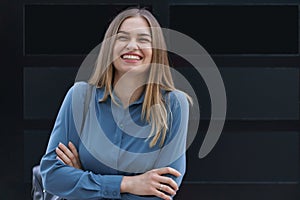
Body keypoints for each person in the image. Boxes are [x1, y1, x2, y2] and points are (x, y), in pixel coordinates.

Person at [40, 7, 191, 200]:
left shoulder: (175, 105)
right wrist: (129, 184)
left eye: (143, 39)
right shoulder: (80, 97)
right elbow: (52, 176)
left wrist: (83, 182)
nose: (132, 46)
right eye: (122, 38)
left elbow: (163, 191)